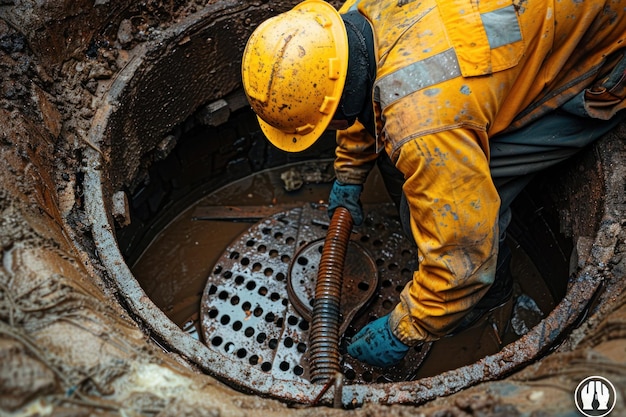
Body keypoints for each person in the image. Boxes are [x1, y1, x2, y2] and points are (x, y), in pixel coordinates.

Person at [241, 0, 626, 368]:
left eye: (326, 127)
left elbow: (464, 258)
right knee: (423, 172)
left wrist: (405, 328)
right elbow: (361, 92)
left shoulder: (423, 126)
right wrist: (349, 174)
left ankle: (487, 298)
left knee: (459, 208)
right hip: (532, 34)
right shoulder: (345, 23)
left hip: (604, 60)